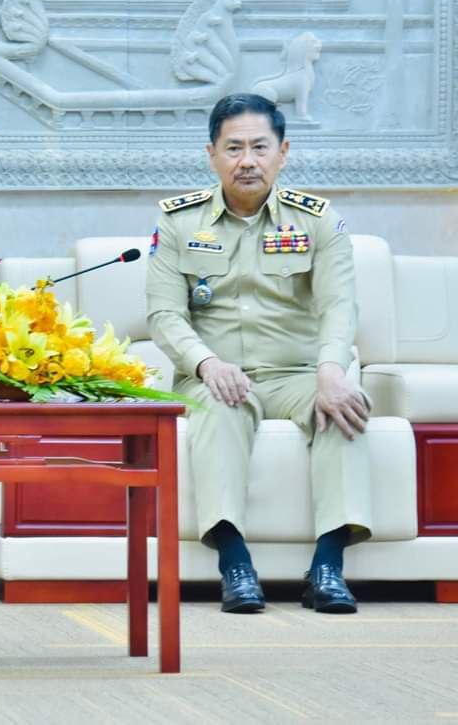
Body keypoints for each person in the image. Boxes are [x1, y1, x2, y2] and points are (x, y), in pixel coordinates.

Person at [145, 93, 371, 614]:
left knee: (344, 407)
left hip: (297, 373)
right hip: (215, 373)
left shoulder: (317, 220)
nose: (247, 160)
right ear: (212, 155)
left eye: (259, 147)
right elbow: (164, 315)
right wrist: (206, 363)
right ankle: (235, 562)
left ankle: (328, 566)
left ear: (283, 152)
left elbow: (339, 305)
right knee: (218, 407)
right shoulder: (178, 221)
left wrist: (331, 370)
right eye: (234, 148)